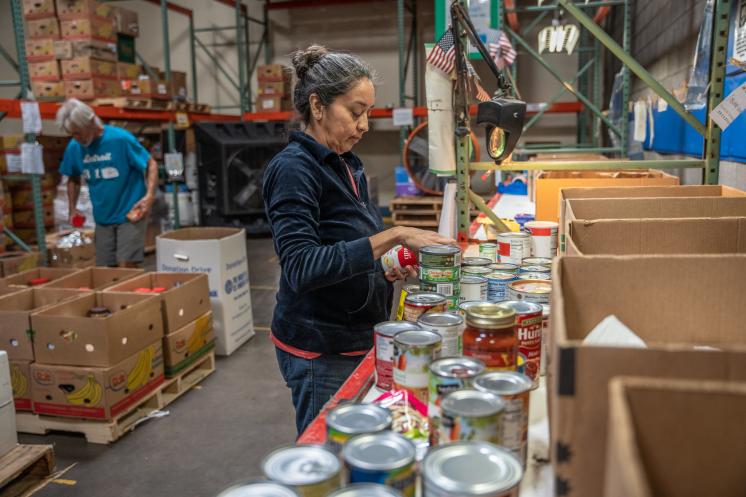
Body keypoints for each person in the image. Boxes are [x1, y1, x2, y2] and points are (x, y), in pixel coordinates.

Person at [263, 45, 456, 435]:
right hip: (321, 349)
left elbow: (350, 242)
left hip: (358, 334)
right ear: (318, 106)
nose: (365, 124)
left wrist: (386, 265)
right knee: (331, 447)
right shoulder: (293, 170)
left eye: (367, 112)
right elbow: (302, 267)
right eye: (355, 111)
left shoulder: (346, 163)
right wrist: (395, 234)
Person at [56, 99, 158, 268]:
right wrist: (72, 208)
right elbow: (73, 178)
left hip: (130, 213)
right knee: (105, 270)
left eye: (78, 132)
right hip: (103, 217)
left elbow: (150, 164)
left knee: (126, 265)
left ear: (90, 122)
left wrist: (149, 196)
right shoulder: (75, 147)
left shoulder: (120, 139)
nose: (76, 138)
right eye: (72, 134)